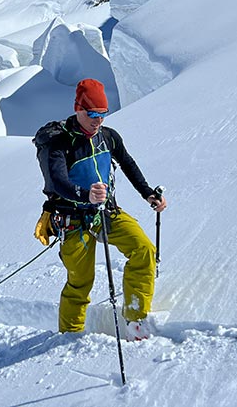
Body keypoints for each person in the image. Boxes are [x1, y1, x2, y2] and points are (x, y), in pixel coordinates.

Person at [33, 78, 167, 340]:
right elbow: (58, 180)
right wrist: (85, 195)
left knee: (143, 250)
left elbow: (127, 163)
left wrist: (147, 193)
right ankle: (69, 338)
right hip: (71, 218)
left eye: (103, 114)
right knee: (81, 281)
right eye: (92, 114)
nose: (98, 121)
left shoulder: (108, 137)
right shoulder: (59, 142)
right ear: (78, 108)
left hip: (106, 211)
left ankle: (135, 318)